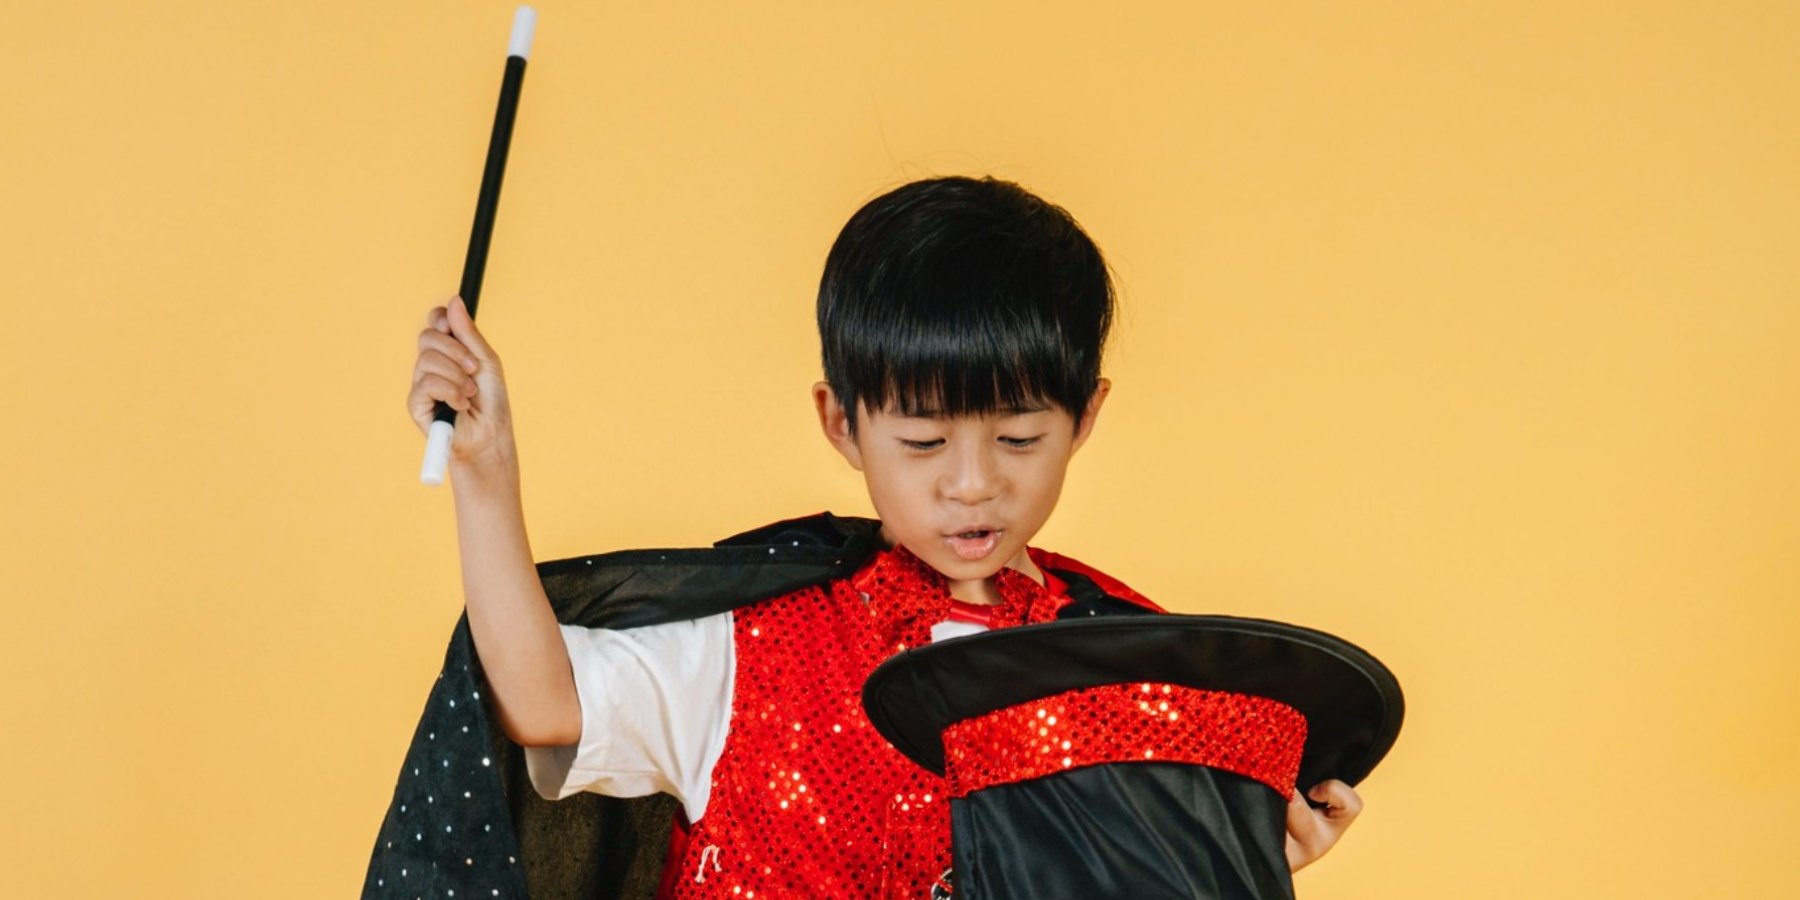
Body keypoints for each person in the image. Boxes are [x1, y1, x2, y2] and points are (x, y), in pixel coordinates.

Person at [404, 175, 1363, 897]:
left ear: (1086, 417)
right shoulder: (759, 645)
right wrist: (488, 478)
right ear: (841, 424)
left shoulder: (1129, 669)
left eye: (1020, 436)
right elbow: (544, 706)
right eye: (923, 440)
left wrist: (1245, 847)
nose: (973, 482)